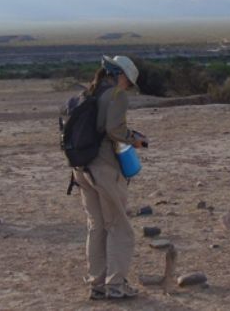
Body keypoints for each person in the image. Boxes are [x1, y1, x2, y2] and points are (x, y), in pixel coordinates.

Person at [73, 55, 148, 300]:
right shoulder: (116, 95)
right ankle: (116, 286)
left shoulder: (89, 94)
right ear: (120, 75)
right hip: (103, 168)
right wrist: (134, 139)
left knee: (96, 228)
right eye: (128, 82)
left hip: (81, 169)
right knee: (119, 227)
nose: (128, 87)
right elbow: (114, 130)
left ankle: (97, 285)